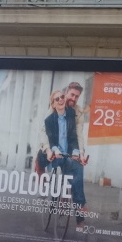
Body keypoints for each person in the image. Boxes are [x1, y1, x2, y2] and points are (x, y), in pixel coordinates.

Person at [42, 89, 87, 226]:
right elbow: (49, 139)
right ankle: (54, 200)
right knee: (58, 171)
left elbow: (75, 136)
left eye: (62, 97)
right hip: (54, 152)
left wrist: (76, 152)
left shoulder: (72, 114)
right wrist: (53, 151)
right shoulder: (49, 119)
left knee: (77, 168)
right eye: (57, 99)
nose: (61, 100)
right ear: (53, 104)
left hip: (68, 152)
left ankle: (79, 207)